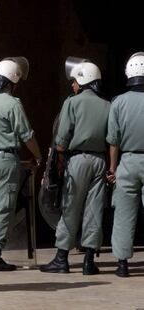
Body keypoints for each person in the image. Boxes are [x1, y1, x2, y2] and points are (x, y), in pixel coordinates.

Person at [40, 57, 110, 275]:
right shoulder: (108, 105)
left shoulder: (72, 102)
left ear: (84, 80)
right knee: (94, 209)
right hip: (100, 160)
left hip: (77, 160)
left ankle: (62, 257)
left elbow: (61, 140)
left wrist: (59, 157)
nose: (72, 85)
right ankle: (89, 260)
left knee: (70, 208)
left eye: (75, 81)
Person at [0, 57, 42, 272]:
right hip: (5, 160)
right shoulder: (12, 103)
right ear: (13, 81)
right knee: (4, 208)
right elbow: (26, 134)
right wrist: (38, 156)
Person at [106, 52, 144, 277]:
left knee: (123, 213)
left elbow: (113, 141)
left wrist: (113, 168)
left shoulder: (118, 101)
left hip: (128, 160)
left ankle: (122, 263)